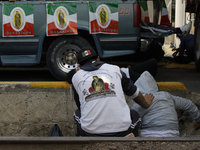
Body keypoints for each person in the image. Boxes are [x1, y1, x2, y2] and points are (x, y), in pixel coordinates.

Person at [71, 47, 154, 137]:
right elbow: (135, 94)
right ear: (98, 58)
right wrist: (146, 103)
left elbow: (80, 107)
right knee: (135, 115)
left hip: (91, 133)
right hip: (121, 132)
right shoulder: (115, 69)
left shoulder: (76, 77)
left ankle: (84, 142)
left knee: (77, 114)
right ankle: (130, 141)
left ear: (79, 66)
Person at [131, 71, 200, 137]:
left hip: (150, 134)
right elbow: (188, 104)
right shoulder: (167, 96)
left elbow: (131, 119)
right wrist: (198, 119)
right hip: (173, 133)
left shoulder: (140, 101)